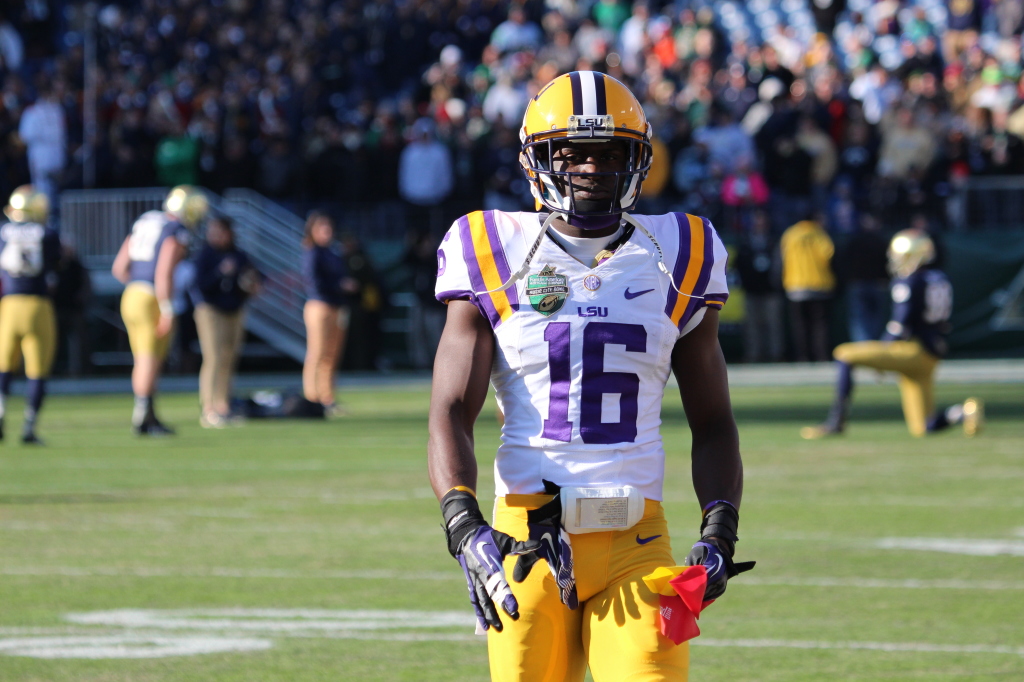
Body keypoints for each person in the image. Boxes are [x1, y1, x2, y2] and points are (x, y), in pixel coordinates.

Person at [428, 72, 753, 682]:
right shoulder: (491, 246)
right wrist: (463, 524)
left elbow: (713, 419)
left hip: (638, 538)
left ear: (637, 160)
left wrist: (719, 530)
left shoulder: (680, 251)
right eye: (572, 152)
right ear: (537, 159)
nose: (591, 168)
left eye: (609, 153)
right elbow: (450, 408)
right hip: (525, 537)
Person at [801, 229, 982, 439]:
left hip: (911, 352)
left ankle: (835, 422)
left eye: (900, 256)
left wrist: (883, 352)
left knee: (844, 354)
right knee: (923, 427)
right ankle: (962, 412)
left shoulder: (909, 281)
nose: (896, 261)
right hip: (931, 354)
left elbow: (899, 326)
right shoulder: (939, 278)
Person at [112, 185, 207, 435]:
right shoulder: (175, 229)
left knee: (142, 359)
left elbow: (119, 268)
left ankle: (148, 415)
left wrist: (139, 284)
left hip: (131, 294)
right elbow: (164, 272)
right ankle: (142, 418)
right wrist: (167, 308)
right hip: (152, 297)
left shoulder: (146, 220)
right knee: (149, 360)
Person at [0, 186, 60, 443]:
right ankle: (29, 427)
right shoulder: (48, 234)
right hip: (37, 305)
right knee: (37, 369)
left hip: (10, 305)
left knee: (4, 366)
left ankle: (1, 414)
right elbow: (56, 265)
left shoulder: (3, 231)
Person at [190, 216, 262, 428]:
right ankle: (209, 408)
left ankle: (223, 405)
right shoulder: (205, 254)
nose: (217, 236)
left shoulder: (238, 254)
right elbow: (199, 285)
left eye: (221, 231)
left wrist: (250, 284)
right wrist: (220, 272)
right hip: (211, 310)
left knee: (229, 358)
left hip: (235, 310)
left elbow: (255, 276)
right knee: (213, 357)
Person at [301, 212, 357, 415]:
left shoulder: (333, 252)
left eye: (328, 228)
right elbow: (313, 281)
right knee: (317, 353)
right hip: (320, 306)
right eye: (322, 228)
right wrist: (338, 285)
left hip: (336, 306)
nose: (326, 232)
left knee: (331, 354)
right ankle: (312, 397)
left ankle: (326, 397)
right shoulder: (312, 252)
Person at [780, 212, 835, 361]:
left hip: (795, 286)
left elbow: (781, 259)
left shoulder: (790, 234)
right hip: (820, 285)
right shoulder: (819, 234)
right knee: (820, 325)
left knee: (800, 326)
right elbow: (829, 255)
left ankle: (802, 356)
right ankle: (821, 355)